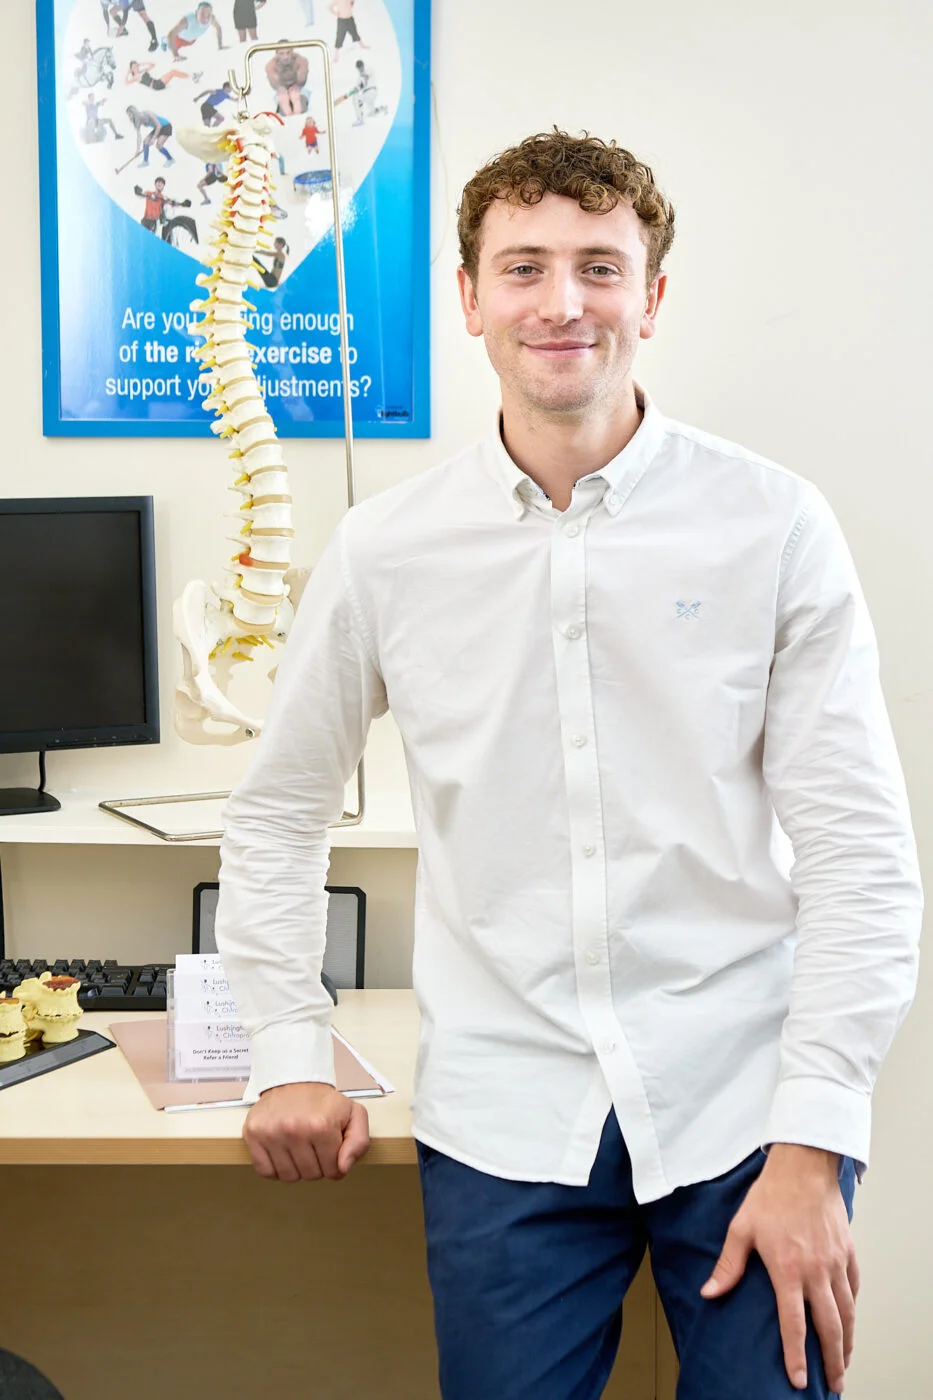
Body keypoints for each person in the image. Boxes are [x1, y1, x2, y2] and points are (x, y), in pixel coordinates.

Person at [213, 129, 923, 1400]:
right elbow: (277, 815)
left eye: (600, 266)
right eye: (524, 265)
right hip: (506, 1104)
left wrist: (817, 1141)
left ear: (650, 298)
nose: (562, 302)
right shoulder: (387, 551)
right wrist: (287, 1044)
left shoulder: (771, 525)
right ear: (470, 298)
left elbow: (862, 854)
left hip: (746, 1105)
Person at [265, 45, 309, 115]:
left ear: (292, 52)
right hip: (282, 92)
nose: (285, 57)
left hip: (299, 90)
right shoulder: (271, 65)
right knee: (283, 98)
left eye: (288, 53)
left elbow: (302, 78)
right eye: (281, 53)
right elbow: (274, 82)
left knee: (296, 97)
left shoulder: (301, 60)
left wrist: (296, 87)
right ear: (276, 54)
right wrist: (280, 88)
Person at [126, 58, 191, 89]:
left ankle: (190, 76)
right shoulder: (135, 77)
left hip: (156, 81)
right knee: (173, 72)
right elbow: (126, 82)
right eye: (134, 67)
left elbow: (153, 65)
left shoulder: (143, 70)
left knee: (173, 71)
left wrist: (141, 64)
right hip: (155, 85)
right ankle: (191, 76)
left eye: (136, 65)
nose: (136, 67)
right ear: (132, 69)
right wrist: (128, 72)